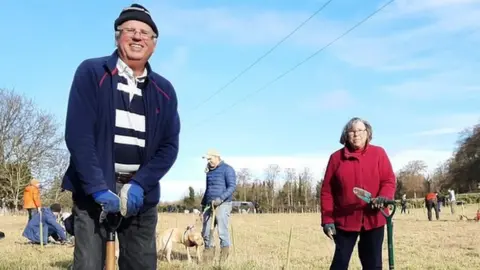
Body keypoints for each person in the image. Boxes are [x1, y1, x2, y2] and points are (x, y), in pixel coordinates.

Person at [61, 3, 180, 270]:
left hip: (141, 197)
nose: (138, 37)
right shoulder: (92, 73)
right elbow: (78, 135)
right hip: (95, 194)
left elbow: (169, 147)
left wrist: (140, 184)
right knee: (89, 266)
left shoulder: (165, 90)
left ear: (154, 44)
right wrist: (98, 187)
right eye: (130, 30)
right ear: (118, 36)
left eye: (145, 33)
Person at [320, 117, 396, 270]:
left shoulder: (379, 153)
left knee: (373, 264)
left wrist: (384, 197)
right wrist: (327, 219)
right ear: (346, 135)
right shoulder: (336, 158)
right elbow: (327, 191)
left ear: (367, 133)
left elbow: (388, 180)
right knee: (339, 264)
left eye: (360, 130)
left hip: (374, 218)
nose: (356, 134)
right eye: (352, 131)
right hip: (345, 220)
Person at [200, 149, 237, 263]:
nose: (209, 161)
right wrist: (203, 205)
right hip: (209, 205)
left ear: (217, 157)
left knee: (222, 232)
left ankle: (223, 260)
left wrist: (220, 199)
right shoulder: (209, 171)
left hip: (223, 204)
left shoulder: (227, 169)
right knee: (206, 232)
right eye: (207, 159)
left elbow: (232, 187)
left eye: (210, 158)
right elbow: (208, 189)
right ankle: (208, 259)